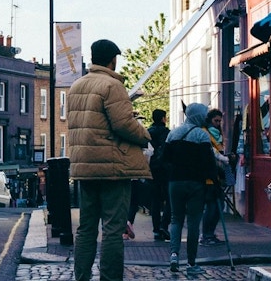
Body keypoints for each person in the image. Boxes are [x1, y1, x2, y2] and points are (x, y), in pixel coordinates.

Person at [68, 39, 153, 281]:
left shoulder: (76, 86)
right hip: (112, 168)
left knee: (85, 229)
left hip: (84, 167)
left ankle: (81, 276)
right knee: (113, 230)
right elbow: (123, 124)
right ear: (113, 59)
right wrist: (145, 135)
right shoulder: (112, 85)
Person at [165, 102, 219, 277]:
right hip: (196, 183)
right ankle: (191, 261)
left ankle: (174, 254)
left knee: (176, 219)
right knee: (194, 222)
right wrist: (215, 181)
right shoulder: (201, 136)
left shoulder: (173, 134)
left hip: (175, 181)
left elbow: (165, 157)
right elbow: (209, 162)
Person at [199, 108, 230, 245]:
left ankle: (210, 233)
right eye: (215, 120)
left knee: (219, 205)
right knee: (212, 205)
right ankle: (206, 234)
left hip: (217, 173)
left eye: (219, 121)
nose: (218, 123)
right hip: (208, 175)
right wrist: (222, 158)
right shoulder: (204, 133)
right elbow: (211, 151)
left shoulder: (218, 134)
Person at [147, 108, 172, 241]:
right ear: (163, 118)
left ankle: (156, 229)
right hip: (165, 169)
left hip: (152, 169)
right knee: (169, 199)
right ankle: (164, 225)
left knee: (155, 200)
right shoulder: (167, 133)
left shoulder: (148, 132)